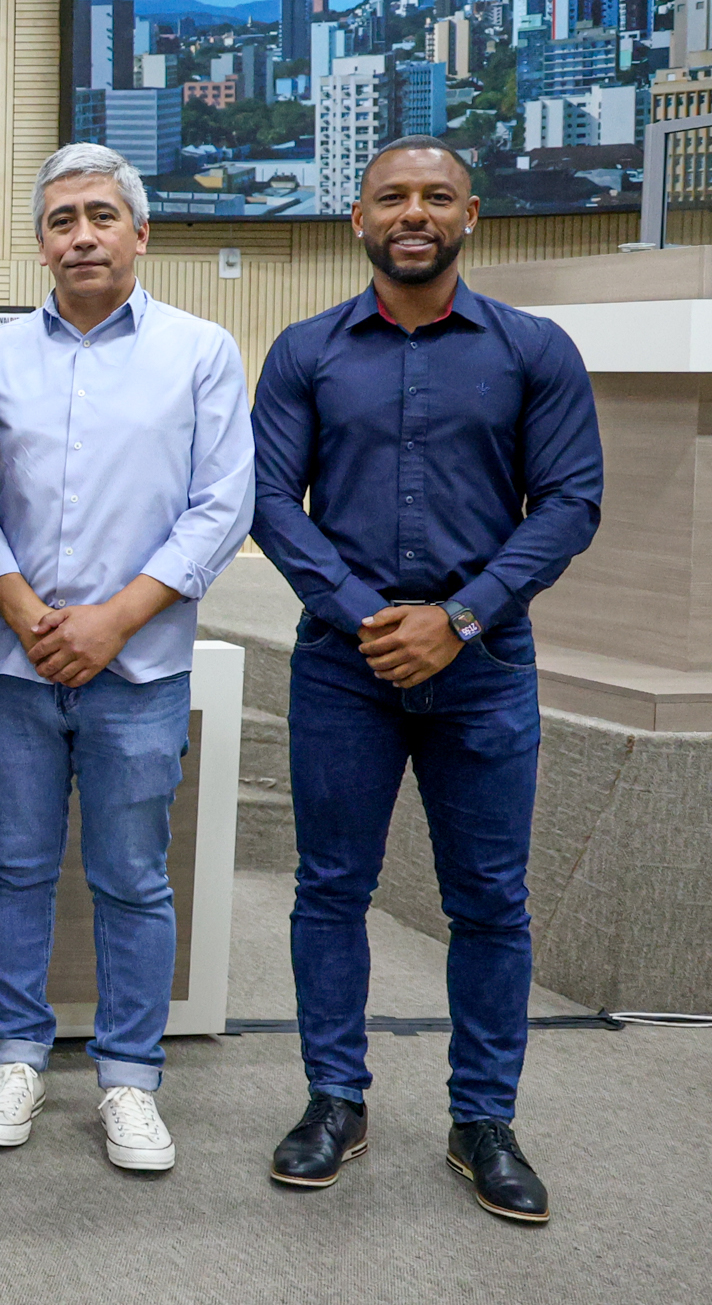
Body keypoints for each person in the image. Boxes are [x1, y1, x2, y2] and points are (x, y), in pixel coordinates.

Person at [253, 137, 600, 1224]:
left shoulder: (534, 350)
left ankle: (483, 1120)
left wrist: (457, 619)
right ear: (357, 218)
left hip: (485, 664)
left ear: (470, 215)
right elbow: (269, 501)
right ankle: (334, 1100)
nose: (415, 213)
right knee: (331, 889)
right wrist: (366, 614)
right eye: (393, 197)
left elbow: (571, 502)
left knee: (489, 901)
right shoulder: (305, 351)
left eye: (436, 197)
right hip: (343, 663)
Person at [0, 144, 251, 1174]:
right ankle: (15, 1057)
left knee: (132, 877)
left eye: (100, 215)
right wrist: (25, 608)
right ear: (40, 244)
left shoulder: (200, 351)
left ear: (140, 232)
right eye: (61, 220)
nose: (81, 235)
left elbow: (223, 505)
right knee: (13, 868)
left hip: (140, 667)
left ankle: (130, 1076)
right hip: (13, 662)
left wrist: (114, 621)